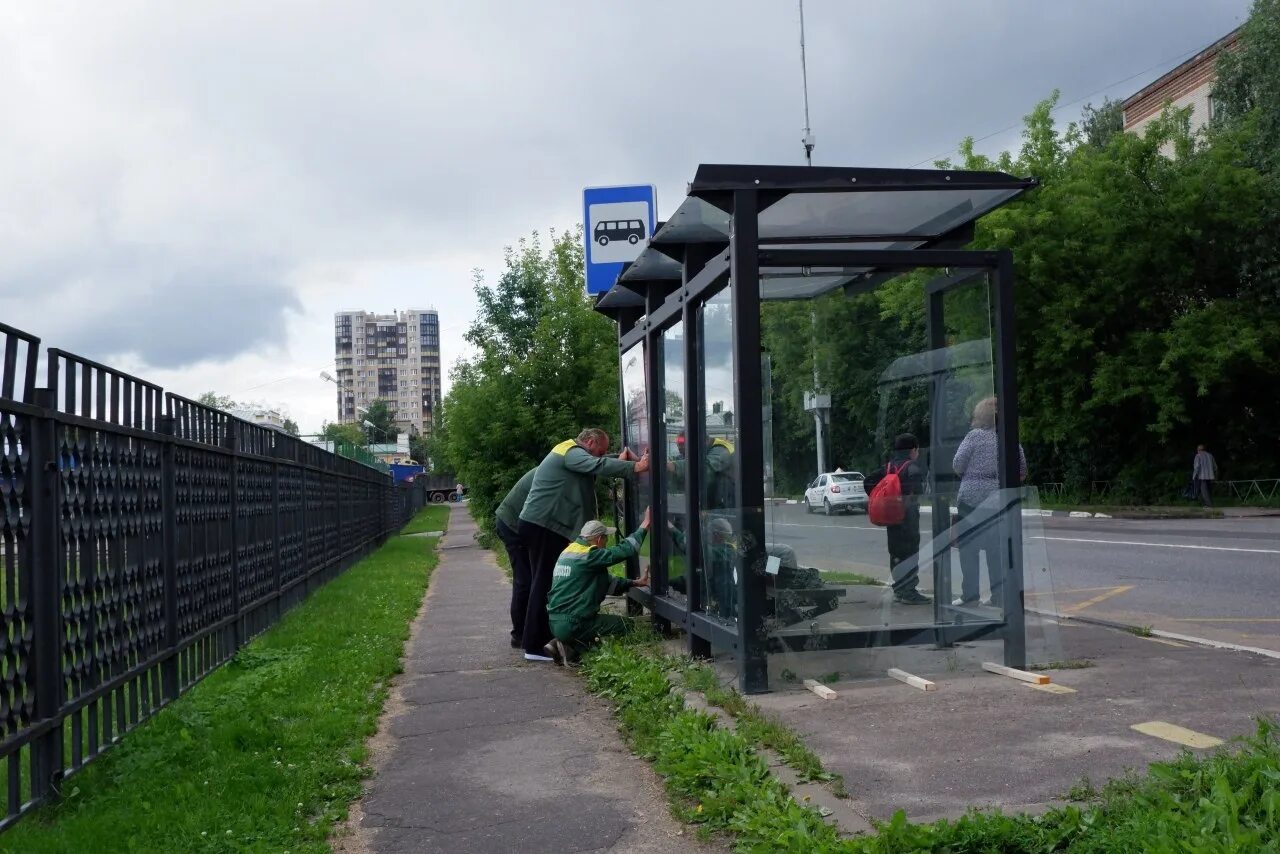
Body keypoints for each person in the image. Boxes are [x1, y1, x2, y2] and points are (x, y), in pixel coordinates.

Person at [517, 429, 649, 662]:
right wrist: (634, 468)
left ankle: (549, 640)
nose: (601, 455)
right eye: (600, 451)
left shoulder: (570, 452)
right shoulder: (570, 451)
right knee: (543, 583)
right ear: (589, 442)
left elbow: (597, 462)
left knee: (547, 582)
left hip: (542, 525)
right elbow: (596, 465)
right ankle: (535, 646)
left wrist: (619, 458)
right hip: (543, 527)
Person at [545, 509, 652, 664]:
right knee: (626, 625)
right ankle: (570, 646)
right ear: (599, 539)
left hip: (554, 621)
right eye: (606, 539)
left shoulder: (568, 552)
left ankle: (562, 642)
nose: (606, 543)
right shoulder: (589, 555)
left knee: (589, 634)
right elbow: (624, 550)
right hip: (573, 623)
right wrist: (646, 523)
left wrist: (635, 582)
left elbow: (605, 583)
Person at [952, 396, 1028, 608]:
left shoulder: (974, 436)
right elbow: (1022, 471)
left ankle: (970, 595)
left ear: (980, 415)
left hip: (970, 501)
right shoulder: (1009, 437)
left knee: (969, 549)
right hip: (998, 501)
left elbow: (957, 465)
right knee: (996, 551)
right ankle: (998, 596)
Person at [863, 433, 931, 605]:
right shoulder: (913, 468)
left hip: (891, 516)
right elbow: (918, 491)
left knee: (896, 553)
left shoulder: (888, 467)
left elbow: (868, 482)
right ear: (914, 450)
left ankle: (899, 589)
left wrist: (882, 498)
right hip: (907, 517)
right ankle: (909, 592)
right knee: (910, 552)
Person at [495, 468, 536, 649]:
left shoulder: (557, 464)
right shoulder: (560, 469)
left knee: (529, 579)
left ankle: (525, 632)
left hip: (513, 522)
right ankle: (519, 635)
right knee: (524, 581)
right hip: (512, 526)